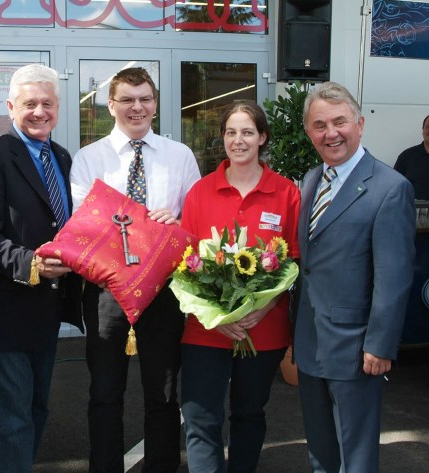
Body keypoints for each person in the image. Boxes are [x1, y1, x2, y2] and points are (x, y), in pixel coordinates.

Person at [70, 67, 201, 473]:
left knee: (162, 394)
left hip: (164, 292)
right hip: (107, 294)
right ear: (111, 105)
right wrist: (146, 229)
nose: (137, 107)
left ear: (156, 104)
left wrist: (176, 227)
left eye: (145, 98)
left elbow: (195, 225)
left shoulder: (180, 156)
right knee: (105, 393)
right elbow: (84, 226)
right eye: (127, 99)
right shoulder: (89, 158)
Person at [294, 82, 416, 473]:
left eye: (339, 122)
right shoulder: (312, 179)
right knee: (321, 451)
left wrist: (380, 345)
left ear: (360, 124)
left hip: (356, 348)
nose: (331, 133)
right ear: (309, 133)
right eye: (319, 125)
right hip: (311, 341)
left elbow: (394, 278)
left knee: (356, 456)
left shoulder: (390, 187)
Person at [0, 64, 83, 472]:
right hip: (7, 309)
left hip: (47, 310)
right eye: (30, 103)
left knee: (37, 410)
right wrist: (30, 263)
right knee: (12, 420)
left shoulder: (63, 157)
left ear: (58, 108)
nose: (39, 111)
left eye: (47, 103)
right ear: (11, 106)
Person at [179, 101, 300, 472]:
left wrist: (260, 308)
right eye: (231, 132)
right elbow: (186, 264)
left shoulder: (286, 193)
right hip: (205, 331)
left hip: (262, 330)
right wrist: (217, 317)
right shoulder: (201, 191)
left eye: (247, 132)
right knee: (201, 418)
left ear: (262, 137)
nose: (238, 140)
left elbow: (292, 260)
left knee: (249, 413)